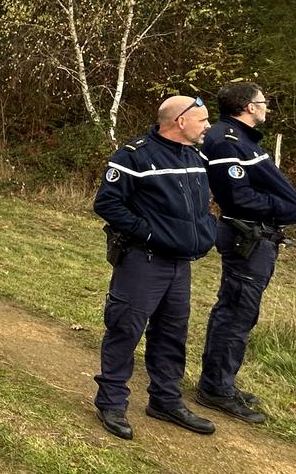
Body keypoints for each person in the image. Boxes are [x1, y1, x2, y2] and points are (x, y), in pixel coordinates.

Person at [92, 95, 217, 440]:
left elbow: (201, 205)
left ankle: (165, 400)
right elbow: (107, 203)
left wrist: (206, 229)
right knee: (125, 328)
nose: (208, 126)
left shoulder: (195, 156)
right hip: (142, 262)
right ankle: (111, 401)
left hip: (181, 264)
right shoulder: (134, 156)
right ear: (180, 121)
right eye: (202, 120)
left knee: (172, 333)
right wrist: (147, 232)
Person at [196, 82, 296, 423]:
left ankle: (217, 380)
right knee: (237, 313)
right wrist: (283, 208)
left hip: (256, 236)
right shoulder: (227, 140)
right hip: (246, 238)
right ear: (247, 107)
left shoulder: (238, 138)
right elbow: (237, 197)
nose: (267, 108)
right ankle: (217, 389)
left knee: (235, 310)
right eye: (263, 102)